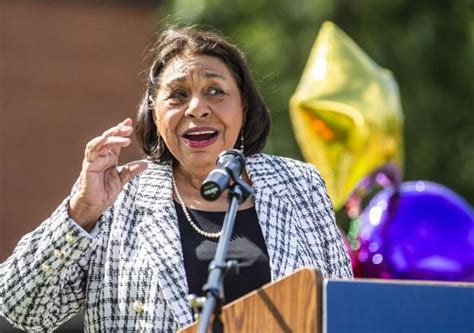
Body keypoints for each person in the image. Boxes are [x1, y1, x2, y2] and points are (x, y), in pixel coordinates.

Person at [0, 26, 353, 332]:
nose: (197, 108)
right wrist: (83, 209)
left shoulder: (299, 185)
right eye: (178, 95)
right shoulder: (118, 200)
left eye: (215, 91)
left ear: (243, 107)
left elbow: (344, 310)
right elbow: (23, 310)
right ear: (155, 112)